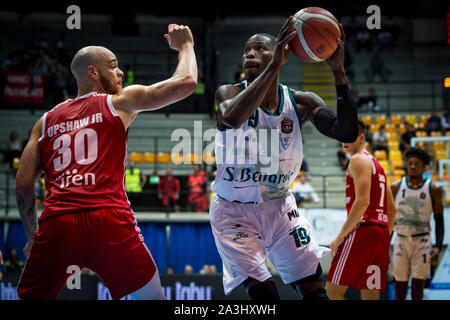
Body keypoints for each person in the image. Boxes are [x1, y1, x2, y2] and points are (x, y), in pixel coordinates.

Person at [14, 23, 198, 300]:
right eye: (113, 66)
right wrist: (185, 46)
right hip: (108, 219)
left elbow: (23, 184)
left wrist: (33, 237)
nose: (121, 71)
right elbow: (186, 83)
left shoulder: (46, 121)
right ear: (93, 73)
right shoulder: (118, 102)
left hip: (58, 223)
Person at [210, 16, 359, 300]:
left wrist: (338, 72)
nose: (249, 54)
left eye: (259, 49)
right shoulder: (228, 93)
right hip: (233, 212)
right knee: (264, 295)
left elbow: (348, 132)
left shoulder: (302, 102)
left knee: (315, 291)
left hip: (278, 208)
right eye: (246, 50)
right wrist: (274, 64)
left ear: (283, 51)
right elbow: (231, 117)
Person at [326, 120, 397, 300]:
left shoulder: (357, 160)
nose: (344, 140)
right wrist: (382, 237)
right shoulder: (378, 165)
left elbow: (362, 202)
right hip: (380, 232)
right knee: (370, 293)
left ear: (361, 137)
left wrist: (339, 238)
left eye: (349, 136)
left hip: (363, 229)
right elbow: (392, 210)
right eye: (341, 136)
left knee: (332, 290)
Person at [390, 147, 444, 300]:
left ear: (424, 166)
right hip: (400, 239)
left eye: (417, 163)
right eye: (410, 163)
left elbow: (439, 221)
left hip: (422, 242)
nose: (412, 166)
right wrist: (384, 244)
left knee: (417, 291)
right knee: (399, 289)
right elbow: (390, 219)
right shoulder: (395, 187)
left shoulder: (433, 189)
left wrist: (438, 246)